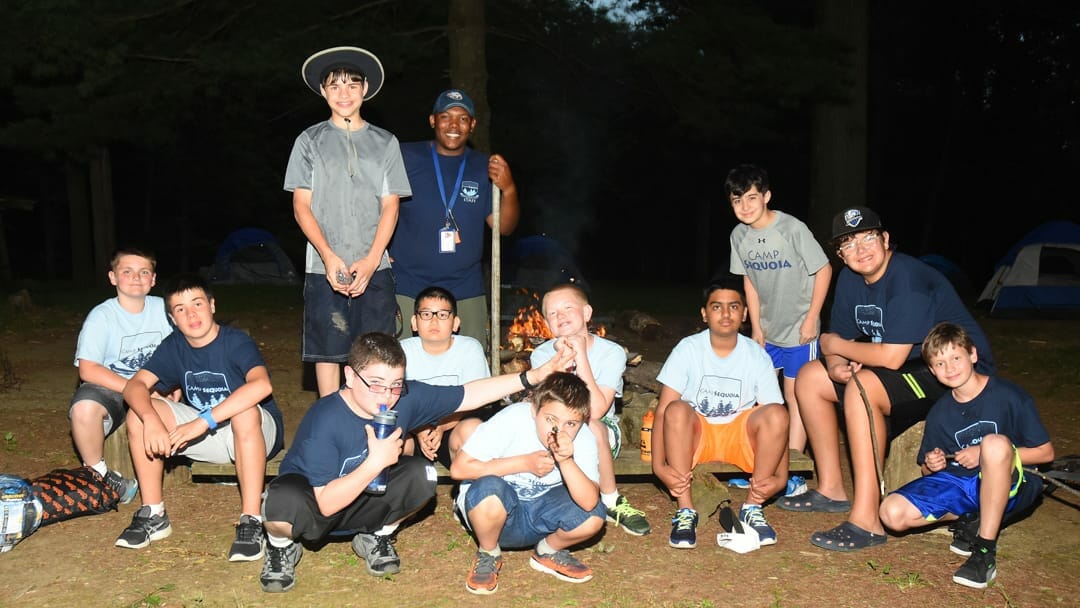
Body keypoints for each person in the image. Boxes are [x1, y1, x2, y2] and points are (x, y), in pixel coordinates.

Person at [257, 332, 573, 594]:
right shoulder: (325, 418)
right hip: (315, 505)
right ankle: (280, 546)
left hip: (362, 501)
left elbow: (468, 394)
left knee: (423, 474)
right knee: (282, 499)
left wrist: (531, 377)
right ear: (350, 376)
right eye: (377, 383)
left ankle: (376, 536)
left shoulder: (404, 397)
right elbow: (325, 504)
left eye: (396, 384)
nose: (388, 395)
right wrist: (374, 462)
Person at [779, 206, 996, 553]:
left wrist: (834, 346)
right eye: (848, 244)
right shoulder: (851, 279)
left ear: (886, 239)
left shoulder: (908, 280)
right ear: (840, 254)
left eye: (868, 238)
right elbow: (839, 337)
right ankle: (831, 488)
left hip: (956, 375)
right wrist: (835, 363)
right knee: (809, 377)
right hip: (909, 365)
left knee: (863, 386)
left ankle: (868, 519)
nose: (860, 249)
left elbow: (891, 356)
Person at [116, 273, 285, 564]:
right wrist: (152, 419)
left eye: (197, 304)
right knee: (139, 415)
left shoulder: (235, 342)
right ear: (172, 318)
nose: (191, 314)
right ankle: (154, 514)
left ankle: (251, 520)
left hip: (255, 432)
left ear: (212, 305)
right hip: (210, 435)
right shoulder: (174, 346)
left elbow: (261, 386)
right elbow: (134, 385)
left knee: (243, 411)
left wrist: (202, 421)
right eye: (181, 309)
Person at [878, 322, 1052, 589]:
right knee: (891, 512)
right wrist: (932, 463)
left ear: (973, 355)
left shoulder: (1009, 396)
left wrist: (985, 453)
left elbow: (1045, 453)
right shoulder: (940, 412)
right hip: (964, 484)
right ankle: (970, 520)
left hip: (1014, 482)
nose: (950, 368)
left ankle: (984, 552)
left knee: (993, 445)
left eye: (955, 358)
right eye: (940, 363)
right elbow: (928, 472)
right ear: (933, 371)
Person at [285, 46, 411, 397]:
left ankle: (377, 424)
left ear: (365, 89)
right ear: (323, 90)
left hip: (375, 265)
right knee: (328, 351)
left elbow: (391, 206)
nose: (344, 93)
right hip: (324, 265)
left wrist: (372, 261)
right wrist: (328, 256)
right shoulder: (309, 141)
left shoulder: (386, 142)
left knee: (377, 353)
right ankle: (330, 425)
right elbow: (301, 206)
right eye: (335, 85)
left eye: (352, 85)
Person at [653, 276, 789, 549]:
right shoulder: (688, 349)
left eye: (734, 307)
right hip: (697, 435)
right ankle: (685, 509)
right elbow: (662, 412)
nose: (726, 314)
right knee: (677, 409)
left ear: (745, 313)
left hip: (739, 436)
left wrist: (781, 477)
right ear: (704, 314)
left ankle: (753, 506)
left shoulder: (756, 355)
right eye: (716, 307)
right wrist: (659, 467)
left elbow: (778, 419)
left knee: (775, 412)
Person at [725, 163, 832, 498]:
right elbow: (749, 282)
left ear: (767, 196)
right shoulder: (738, 236)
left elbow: (824, 269)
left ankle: (794, 470)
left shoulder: (791, 228)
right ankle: (762, 464)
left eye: (752, 198)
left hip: (800, 327)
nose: (745, 207)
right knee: (760, 396)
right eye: (737, 200)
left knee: (797, 395)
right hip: (767, 331)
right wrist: (755, 326)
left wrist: (812, 317)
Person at [450, 372, 605, 595]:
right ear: (534, 410)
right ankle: (488, 552)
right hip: (495, 517)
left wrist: (566, 460)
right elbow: (459, 468)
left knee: (593, 517)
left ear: (582, 420)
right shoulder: (513, 418)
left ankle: (548, 550)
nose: (559, 431)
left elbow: (589, 502)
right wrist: (523, 463)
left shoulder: (584, 437)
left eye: (570, 423)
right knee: (490, 490)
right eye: (551, 419)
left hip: (540, 517)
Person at [391, 88, 520, 346]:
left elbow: (503, 227)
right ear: (433, 121)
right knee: (400, 363)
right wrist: (378, 249)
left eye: (462, 118)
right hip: (407, 282)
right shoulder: (404, 156)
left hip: (465, 286)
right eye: (446, 116)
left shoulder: (485, 166)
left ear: (472, 124)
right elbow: (376, 204)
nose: (453, 125)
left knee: (471, 362)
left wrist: (509, 188)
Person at [70, 248, 173, 504]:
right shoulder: (101, 317)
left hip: (159, 385)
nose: (136, 277)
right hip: (114, 387)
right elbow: (88, 369)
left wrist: (174, 383)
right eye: (127, 271)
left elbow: (187, 350)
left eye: (144, 272)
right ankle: (102, 477)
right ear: (113, 277)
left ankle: (220, 460)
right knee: (83, 409)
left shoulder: (165, 310)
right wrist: (135, 388)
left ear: (153, 279)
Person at [399, 285, 491, 467]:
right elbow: (396, 401)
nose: (434, 321)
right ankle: (404, 491)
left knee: (471, 431)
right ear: (414, 322)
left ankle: (469, 490)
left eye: (442, 315)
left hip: (453, 423)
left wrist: (441, 427)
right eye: (426, 314)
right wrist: (419, 430)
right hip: (413, 426)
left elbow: (477, 399)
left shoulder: (469, 348)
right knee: (398, 442)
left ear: (455, 323)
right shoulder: (402, 351)